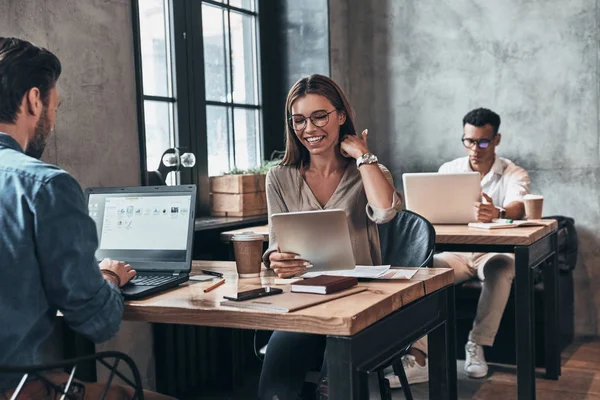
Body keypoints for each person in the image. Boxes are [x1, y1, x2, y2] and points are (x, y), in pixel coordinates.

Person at [0, 37, 174, 400]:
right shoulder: (45, 185)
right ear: (34, 100)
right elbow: (97, 321)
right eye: (55, 106)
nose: (52, 118)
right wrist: (108, 275)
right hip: (16, 388)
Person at [257, 74, 403, 399]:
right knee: (277, 382)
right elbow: (275, 246)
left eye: (319, 116)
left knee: (334, 376)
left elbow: (385, 211)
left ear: (340, 116)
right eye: (299, 120)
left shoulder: (369, 172)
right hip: (304, 304)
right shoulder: (279, 178)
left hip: (363, 303)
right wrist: (277, 260)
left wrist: (363, 155)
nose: (309, 129)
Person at [385, 107, 530, 388]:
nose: (475, 148)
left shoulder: (513, 172)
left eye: (483, 142)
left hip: (493, 253)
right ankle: (419, 357)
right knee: (423, 271)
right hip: (459, 255)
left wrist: (498, 212)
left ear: (496, 140)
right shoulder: (449, 170)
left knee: (502, 268)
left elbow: (519, 207)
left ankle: (476, 346)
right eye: (469, 141)